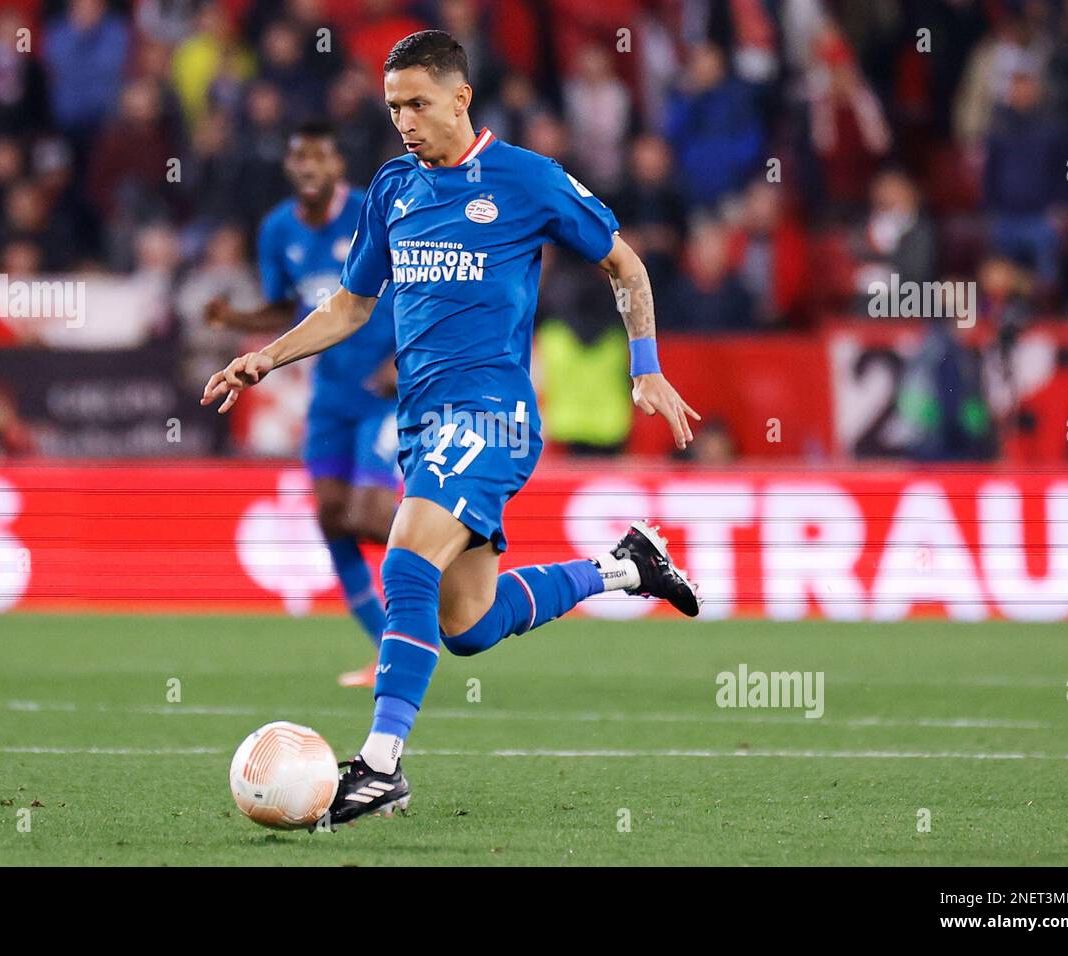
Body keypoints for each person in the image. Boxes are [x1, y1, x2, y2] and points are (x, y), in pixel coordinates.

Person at [201, 31, 701, 828]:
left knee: (405, 560)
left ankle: (379, 765)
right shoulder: (393, 187)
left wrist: (645, 367)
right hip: (423, 426)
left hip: (492, 417)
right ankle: (625, 568)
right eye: (393, 105)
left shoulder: (527, 180)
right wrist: (266, 357)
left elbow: (626, 265)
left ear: (460, 98)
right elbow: (351, 304)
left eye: (418, 104)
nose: (403, 120)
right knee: (464, 623)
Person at [207, 120, 399, 689]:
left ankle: (450, 557)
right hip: (330, 393)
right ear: (290, 167)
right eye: (300, 156)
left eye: (321, 156)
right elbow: (287, 308)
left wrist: (404, 357)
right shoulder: (276, 230)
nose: (310, 166)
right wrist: (235, 320)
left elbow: (417, 284)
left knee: (367, 515)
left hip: (387, 388)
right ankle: (389, 648)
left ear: (339, 166)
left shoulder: (373, 210)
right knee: (330, 517)